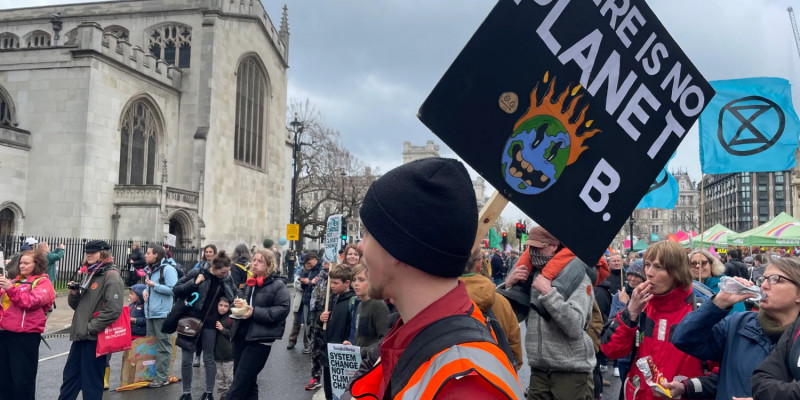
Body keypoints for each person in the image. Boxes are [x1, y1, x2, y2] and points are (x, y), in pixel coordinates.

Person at [349, 158, 524, 399]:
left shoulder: (463, 388)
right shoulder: (417, 335)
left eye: (368, 233)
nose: (359, 247)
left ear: (399, 247)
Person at [668, 257, 800, 399]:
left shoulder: (795, 339)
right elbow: (683, 339)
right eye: (763, 279)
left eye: (776, 279)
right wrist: (718, 303)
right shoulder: (738, 324)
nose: (764, 286)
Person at [500, 226, 598, 400]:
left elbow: (575, 325)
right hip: (539, 370)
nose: (532, 252)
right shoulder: (532, 274)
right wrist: (508, 285)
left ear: (554, 246)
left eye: (538, 246)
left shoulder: (577, 275)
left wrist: (549, 294)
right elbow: (509, 318)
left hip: (571, 373)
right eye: (530, 247)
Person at [601, 241, 706, 400]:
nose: (648, 273)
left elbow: (721, 372)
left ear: (677, 272)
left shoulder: (700, 312)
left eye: (658, 267)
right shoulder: (642, 306)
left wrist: (687, 387)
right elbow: (611, 349)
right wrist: (630, 313)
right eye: (647, 265)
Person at [58, 240, 124, 400]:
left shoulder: (111, 276)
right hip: (81, 336)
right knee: (70, 379)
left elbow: (113, 309)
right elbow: (81, 307)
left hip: (93, 337)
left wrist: (91, 328)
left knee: (91, 384)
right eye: (87, 252)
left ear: (103, 253)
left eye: (93, 252)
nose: (89, 255)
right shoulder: (90, 274)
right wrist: (74, 294)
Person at [170, 250, 236, 400]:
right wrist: (195, 282)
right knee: (187, 358)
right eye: (223, 272)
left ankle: (208, 393)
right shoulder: (197, 272)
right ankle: (186, 393)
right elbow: (176, 289)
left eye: (227, 272)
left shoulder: (226, 278)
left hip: (211, 323)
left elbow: (233, 297)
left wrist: (225, 284)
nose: (225, 274)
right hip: (190, 320)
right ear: (216, 267)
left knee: (209, 358)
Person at [228, 248, 290, 399]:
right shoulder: (250, 283)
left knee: (239, 384)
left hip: (260, 340)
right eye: (253, 260)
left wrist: (254, 312)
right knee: (248, 382)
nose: (254, 263)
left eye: (259, 261)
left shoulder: (278, 285)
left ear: (269, 265)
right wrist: (238, 303)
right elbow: (241, 301)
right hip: (242, 335)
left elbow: (282, 309)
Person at [0, 250, 55, 400]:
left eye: (26, 263)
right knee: (4, 381)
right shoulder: (13, 281)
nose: (22, 266)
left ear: (36, 264)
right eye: (21, 263)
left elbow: (30, 302)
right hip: (5, 334)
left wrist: (10, 289)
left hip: (25, 337)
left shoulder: (43, 283)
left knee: (22, 381)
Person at [460, 248, 523, 368]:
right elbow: (515, 352)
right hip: (497, 375)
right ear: (479, 265)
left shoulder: (437, 301)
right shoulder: (502, 303)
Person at [142, 244, 178, 388]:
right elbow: (149, 286)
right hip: (150, 313)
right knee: (150, 347)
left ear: (156, 255)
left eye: (148, 253)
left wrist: (154, 286)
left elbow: (174, 290)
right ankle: (151, 375)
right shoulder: (149, 270)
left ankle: (162, 377)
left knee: (163, 346)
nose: (145, 255)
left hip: (162, 314)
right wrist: (145, 291)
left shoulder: (168, 269)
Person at [319, 264, 356, 400]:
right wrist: (320, 318)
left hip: (341, 354)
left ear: (347, 283)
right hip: (328, 352)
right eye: (331, 282)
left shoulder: (352, 301)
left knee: (341, 392)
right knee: (329, 390)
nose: (332, 285)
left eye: (336, 283)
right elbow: (325, 323)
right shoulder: (333, 298)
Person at [607, 259, 646, 389]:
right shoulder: (619, 296)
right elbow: (613, 321)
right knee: (626, 387)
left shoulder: (648, 296)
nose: (633, 279)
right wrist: (623, 304)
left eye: (638, 276)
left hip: (642, 352)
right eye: (631, 275)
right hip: (625, 354)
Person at [343, 264, 389, 359]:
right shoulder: (360, 305)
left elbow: (384, 340)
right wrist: (352, 348)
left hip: (371, 362)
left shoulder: (377, 304)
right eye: (354, 280)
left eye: (361, 280)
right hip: (361, 361)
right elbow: (362, 338)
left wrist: (362, 351)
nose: (356, 284)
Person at [214, 297, 234, 400]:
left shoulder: (231, 318)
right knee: (220, 379)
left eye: (226, 306)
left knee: (230, 378)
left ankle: (232, 396)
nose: (222, 308)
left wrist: (222, 329)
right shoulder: (214, 316)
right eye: (220, 305)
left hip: (228, 355)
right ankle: (223, 396)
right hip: (217, 355)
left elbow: (233, 335)